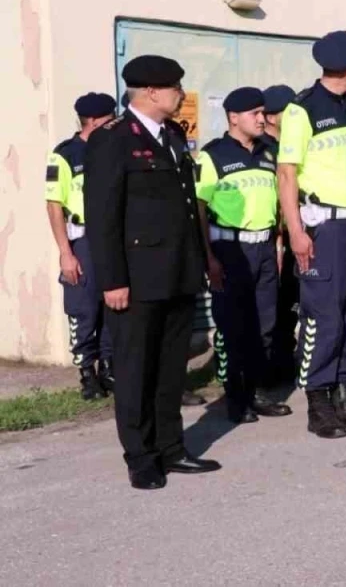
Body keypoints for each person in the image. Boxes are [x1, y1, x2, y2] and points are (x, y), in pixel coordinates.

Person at [86, 55, 220, 490]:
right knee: (134, 369)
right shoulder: (113, 139)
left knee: (168, 370)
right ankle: (141, 456)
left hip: (178, 272)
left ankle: (171, 447)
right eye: (174, 88)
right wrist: (112, 280)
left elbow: (184, 204)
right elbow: (103, 216)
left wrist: (198, 264)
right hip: (136, 279)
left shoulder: (173, 136)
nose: (181, 94)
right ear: (149, 92)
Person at [276, 31, 346, 439]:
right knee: (325, 317)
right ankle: (318, 403)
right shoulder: (302, 110)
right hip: (326, 228)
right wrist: (297, 232)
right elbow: (286, 174)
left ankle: (345, 395)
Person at [193, 87, 292, 424]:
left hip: (264, 247)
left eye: (263, 112)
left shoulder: (269, 152)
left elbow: (278, 203)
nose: (262, 119)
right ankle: (235, 398)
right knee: (235, 327)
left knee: (265, 325)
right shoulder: (213, 155)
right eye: (255, 114)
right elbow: (199, 209)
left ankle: (257, 391)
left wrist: (277, 246)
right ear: (234, 117)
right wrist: (209, 258)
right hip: (230, 250)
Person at [47, 92, 118, 400]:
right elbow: (54, 205)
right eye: (109, 119)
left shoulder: (114, 150)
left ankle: (109, 369)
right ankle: (87, 373)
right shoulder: (65, 155)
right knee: (85, 308)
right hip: (83, 241)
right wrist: (66, 253)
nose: (114, 124)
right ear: (93, 121)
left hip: (112, 239)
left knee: (112, 306)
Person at [259, 84, 297, 385]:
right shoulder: (261, 148)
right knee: (271, 305)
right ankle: (267, 364)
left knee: (291, 303)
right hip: (271, 238)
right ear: (271, 117)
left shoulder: (291, 145)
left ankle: (285, 358)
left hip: (294, 232)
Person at [259, 85, 294, 155]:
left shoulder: (295, 140)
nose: (297, 115)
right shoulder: (260, 150)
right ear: (271, 119)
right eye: (290, 112)